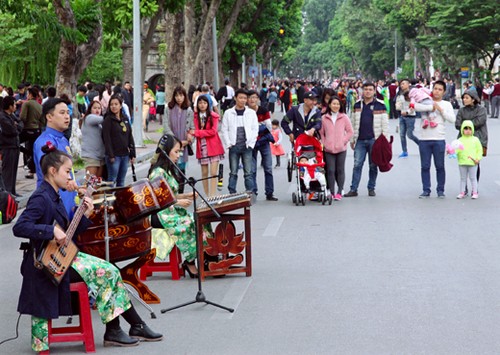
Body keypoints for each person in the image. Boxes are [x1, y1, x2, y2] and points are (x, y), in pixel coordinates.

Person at [13, 144, 162, 352]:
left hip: (62, 259)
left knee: (110, 270)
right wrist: (50, 231)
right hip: (45, 268)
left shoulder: (53, 195)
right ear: (52, 171)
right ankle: (122, 329)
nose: (71, 177)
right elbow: (20, 227)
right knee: (107, 271)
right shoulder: (41, 197)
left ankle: (127, 327)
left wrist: (84, 215)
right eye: (67, 171)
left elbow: (67, 233)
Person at [149, 135, 208, 277]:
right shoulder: (157, 173)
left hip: (171, 213)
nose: (179, 155)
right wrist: (177, 202)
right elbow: (158, 200)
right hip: (160, 215)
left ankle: (206, 255)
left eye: (179, 151)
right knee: (189, 223)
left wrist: (185, 196)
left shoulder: (168, 170)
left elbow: (169, 195)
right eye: (176, 151)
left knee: (200, 219)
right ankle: (190, 260)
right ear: (166, 152)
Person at [344, 82, 389, 197]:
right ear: (362, 91)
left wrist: (386, 141)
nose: (368, 91)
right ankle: (353, 189)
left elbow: (385, 124)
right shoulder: (357, 105)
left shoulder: (380, 105)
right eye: (366, 89)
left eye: (370, 89)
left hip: (375, 140)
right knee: (357, 164)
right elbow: (353, 123)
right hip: (360, 140)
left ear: (374, 91)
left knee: (373, 165)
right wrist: (352, 139)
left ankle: (371, 188)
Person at [417, 80, 456, 198]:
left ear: (443, 92)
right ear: (432, 89)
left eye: (440, 89)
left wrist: (440, 109)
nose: (437, 91)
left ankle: (440, 190)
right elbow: (415, 108)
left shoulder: (446, 104)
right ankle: (426, 190)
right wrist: (430, 106)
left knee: (440, 166)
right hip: (424, 139)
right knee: (425, 166)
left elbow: (452, 119)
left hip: (439, 139)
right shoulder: (425, 101)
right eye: (435, 89)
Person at [220, 88, 259, 194]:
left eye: (245, 98)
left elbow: (255, 129)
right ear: (235, 98)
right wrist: (228, 144)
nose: (242, 100)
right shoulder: (228, 113)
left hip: (247, 146)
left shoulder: (251, 113)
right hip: (234, 146)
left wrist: (251, 144)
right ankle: (232, 192)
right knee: (233, 172)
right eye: (240, 98)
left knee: (248, 172)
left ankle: (250, 193)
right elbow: (224, 129)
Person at [319, 96, 353, 201]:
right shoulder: (324, 118)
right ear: (329, 105)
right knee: (330, 170)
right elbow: (321, 133)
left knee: (340, 170)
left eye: (338, 104)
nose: (336, 106)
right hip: (328, 149)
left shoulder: (344, 117)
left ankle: (340, 191)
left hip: (341, 148)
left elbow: (350, 131)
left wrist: (343, 141)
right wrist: (324, 143)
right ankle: (331, 191)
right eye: (334, 104)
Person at [190, 95, 225, 197]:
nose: (202, 105)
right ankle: (207, 195)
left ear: (208, 104)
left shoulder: (214, 116)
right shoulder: (194, 116)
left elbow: (213, 131)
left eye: (204, 103)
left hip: (213, 146)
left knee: (213, 173)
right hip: (201, 147)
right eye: (200, 103)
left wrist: (197, 133)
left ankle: (213, 195)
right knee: (204, 173)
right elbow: (190, 129)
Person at [247, 90, 277, 201]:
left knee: (268, 167)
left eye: (254, 97)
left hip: (263, 142)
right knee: (252, 169)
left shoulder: (263, 110)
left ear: (258, 99)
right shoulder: (245, 111)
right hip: (250, 143)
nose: (252, 100)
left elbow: (269, 126)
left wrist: (258, 129)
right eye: (250, 97)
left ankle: (269, 192)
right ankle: (253, 192)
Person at [454, 89, 488, 189]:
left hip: (478, 139)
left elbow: (479, 122)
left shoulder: (481, 110)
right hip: (463, 140)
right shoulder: (461, 110)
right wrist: (467, 126)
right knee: (464, 163)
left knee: (475, 163)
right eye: (463, 98)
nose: (464, 100)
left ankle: (474, 186)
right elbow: (457, 124)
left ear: (473, 99)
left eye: (466, 98)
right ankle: (464, 188)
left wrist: (465, 124)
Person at [163, 86, 194, 191]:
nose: (178, 98)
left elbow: (192, 128)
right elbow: (166, 126)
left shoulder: (189, 110)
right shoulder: (169, 109)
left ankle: (180, 194)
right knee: (171, 170)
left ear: (185, 96)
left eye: (181, 95)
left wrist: (189, 137)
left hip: (184, 146)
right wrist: (176, 142)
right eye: (176, 95)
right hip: (172, 145)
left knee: (181, 171)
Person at [102, 94, 136, 187]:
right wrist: (111, 155)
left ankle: (119, 200)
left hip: (125, 155)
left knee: (121, 181)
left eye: (116, 104)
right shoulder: (108, 120)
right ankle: (110, 201)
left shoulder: (124, 118)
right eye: (111, 104)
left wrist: (132, 153)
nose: (114, 106)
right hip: (114, 156)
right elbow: (106, 138)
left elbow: (129, 135)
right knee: (112, 180)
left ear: (120, 105)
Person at [0, 96, 23, 197]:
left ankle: (12, 190)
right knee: (7, 171)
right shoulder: (2, 117)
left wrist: (16, 125)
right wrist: (16, 126)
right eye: (14, 104)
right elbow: (11, 131)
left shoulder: (12, 116)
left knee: (13, 170)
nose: (15, 106)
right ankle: (7, 193)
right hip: (7, 146)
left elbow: (21, 124)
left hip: (15, 145)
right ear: (9, 106)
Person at [19, 87, 43, 179]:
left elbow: (23, 117)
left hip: (26, 129)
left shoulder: (27, 104)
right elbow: (43, 121)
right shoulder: (40, 106)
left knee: (15, 143)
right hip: (36, 130)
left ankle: (27, 153)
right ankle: (32, 171)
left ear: (30, 94)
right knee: (34, 150)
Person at [455, 120, 482, 199]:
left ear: (472, 130)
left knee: (473, 178)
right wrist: (452, 152)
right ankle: (462, 192)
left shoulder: (475, 140)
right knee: (463, 178)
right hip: (462, 162)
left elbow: (479, 150)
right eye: (465, 128)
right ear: (462, 129)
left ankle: (475, 192)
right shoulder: (460, 140)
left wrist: (478, 158)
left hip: (473, 162)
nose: (468, 131)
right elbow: (456, 149)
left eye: (470, 129)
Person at [80, 100, 105, 177]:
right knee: (90, 183)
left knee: (97, 183)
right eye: (95, 108)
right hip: (91, 156)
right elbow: (104, 119)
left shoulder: (99, 124)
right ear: (90, 109)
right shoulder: (89, 118)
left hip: (100, 156)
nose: (97, 110)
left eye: (99, 108)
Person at [395, 84, 420, 158]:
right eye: (401, 84)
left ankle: (421, 145)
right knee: (402, 135)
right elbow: (398, 105)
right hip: (402, 117)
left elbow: (413, 107)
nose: (402, 86)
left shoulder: (413, 97)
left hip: (410, 117)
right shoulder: (400, 95)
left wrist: (407, 112)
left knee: (410, 135)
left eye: (404, 84)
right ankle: (404, 151)